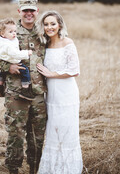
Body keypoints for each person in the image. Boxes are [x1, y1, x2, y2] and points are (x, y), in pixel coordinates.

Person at [0, 0, 47, 174]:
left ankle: (35, 169)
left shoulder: (43, 32)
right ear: (19, 11)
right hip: (16, 93)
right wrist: (7, 66)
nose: (29, 13)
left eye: (32, 10)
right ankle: (13, 169)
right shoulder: (8, 31)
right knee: (16, 133)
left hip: (38, 92)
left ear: (36, 11)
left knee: (38, 136)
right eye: (25, 10)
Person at [36, 10, 83, 174]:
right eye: (46, 24)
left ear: (60, 25)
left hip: (67, 94)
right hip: (51, 96)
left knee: (66, 132)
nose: (49, 27)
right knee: (53, 133)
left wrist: (51, 74)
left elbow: (74, 70)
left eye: (53, 24)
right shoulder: (44, 45)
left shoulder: (67, 42)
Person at [0, 17, 35, 100]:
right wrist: (27, 53)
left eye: (15, 31)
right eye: (10, 32)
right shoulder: (8, 45)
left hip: (4, 58)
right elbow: (16, 54)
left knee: (2, 73)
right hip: (13, 62)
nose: (14, 34)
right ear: (2, 34)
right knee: (24, 70)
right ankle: (25, 90)